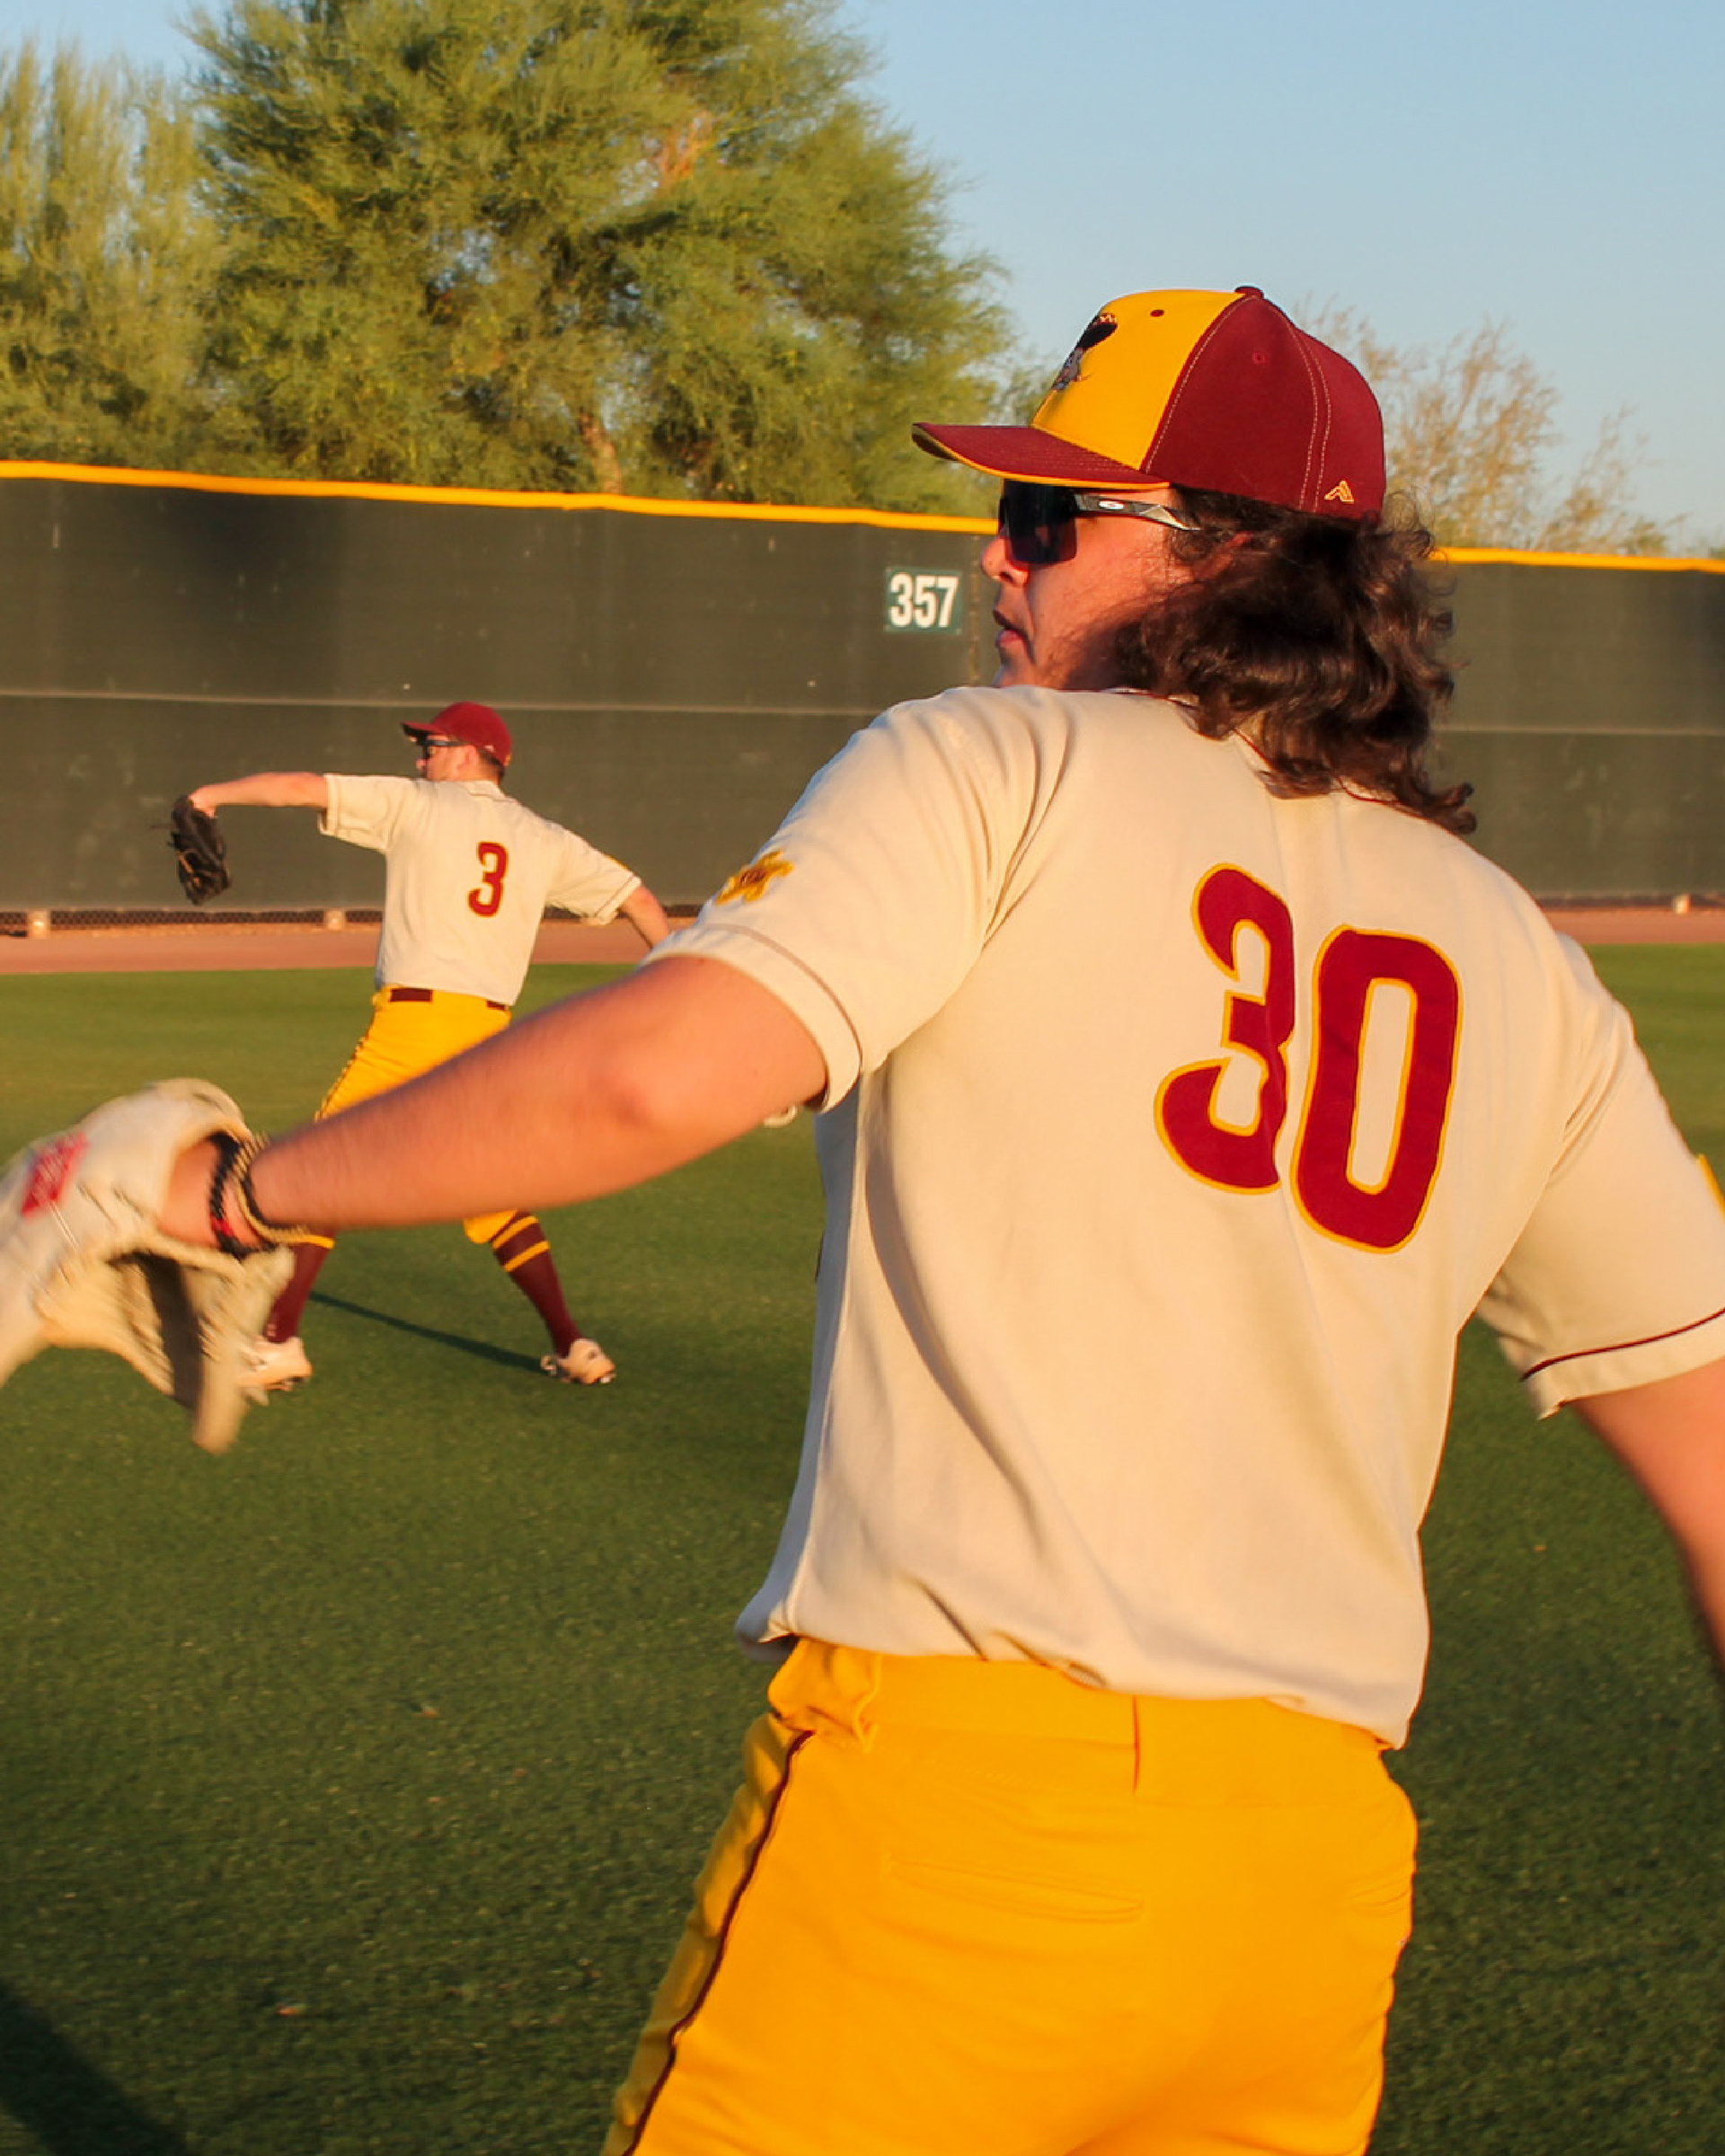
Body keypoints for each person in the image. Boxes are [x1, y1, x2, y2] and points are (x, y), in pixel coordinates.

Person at [158, 287, 1725, 2154]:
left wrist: (234, 1191)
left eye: (1053, 516)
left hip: (964, 1813)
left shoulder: (992, 759)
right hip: (1304, 1886)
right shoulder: (1520, 961)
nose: (1000, 551)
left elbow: (648, 1079)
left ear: (1230, 556)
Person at [185, 700, 670, 1391]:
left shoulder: (417, 805)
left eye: (432, 746)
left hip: (413, 1026)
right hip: (488, 1038)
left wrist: (210, 796)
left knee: (319, 1168)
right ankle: (574, 1345)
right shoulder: (544, 838)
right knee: (493, 1194)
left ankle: (279, 1342)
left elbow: (299, 788)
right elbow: (640, 900)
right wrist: (683, 980)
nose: (420, 759)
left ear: (469, 754)